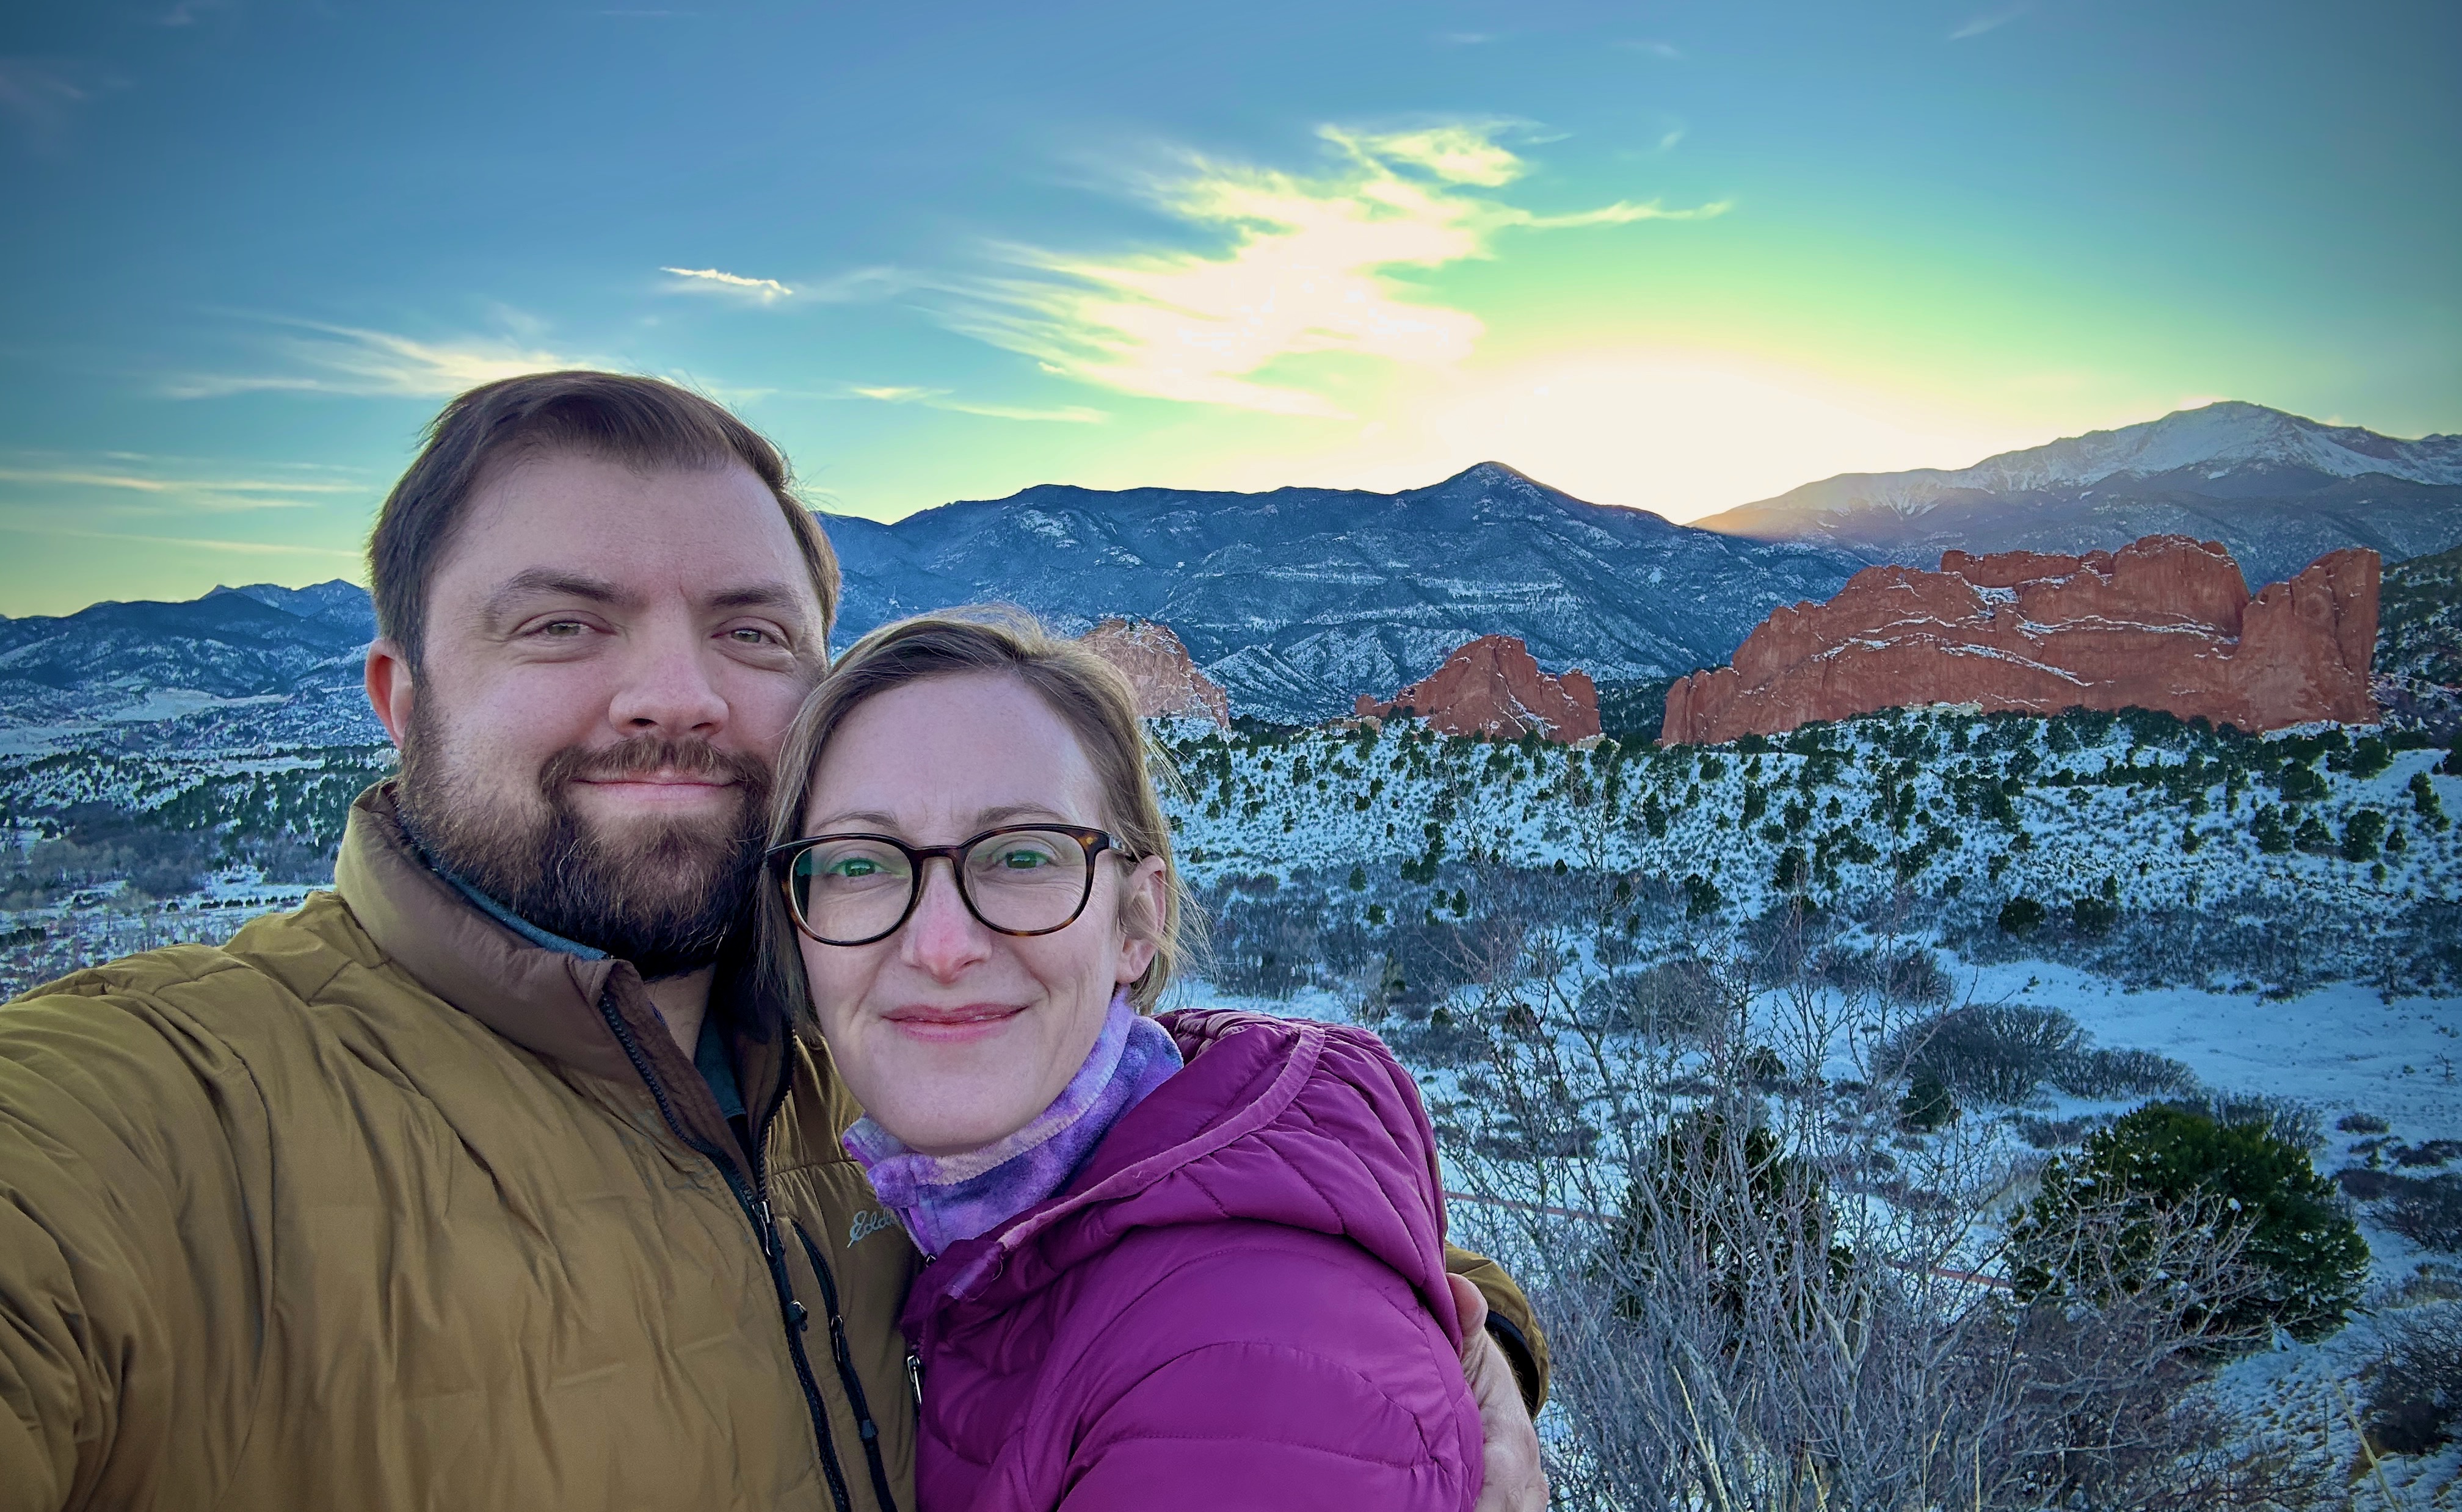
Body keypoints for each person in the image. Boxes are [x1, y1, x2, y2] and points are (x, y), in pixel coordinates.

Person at [0, 371, 1549, 1511]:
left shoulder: (861, 1037)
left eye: (749, 633)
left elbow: (1222, 1220)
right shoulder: (151, 1114)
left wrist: (1458, 1352)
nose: (673, 693)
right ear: (403, 704)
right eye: (560, 623)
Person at [762, 611, 1492, 1510]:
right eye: (860, 863)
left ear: (1135, 924)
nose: (941, 945)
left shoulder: (1237, 1370)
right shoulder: (971, 1216)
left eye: (1022, 855)